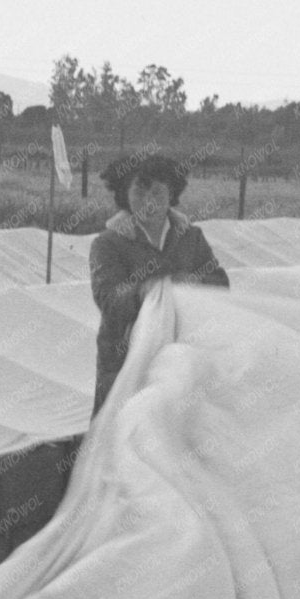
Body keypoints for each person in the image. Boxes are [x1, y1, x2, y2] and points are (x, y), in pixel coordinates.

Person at [88, 153, 230, 413]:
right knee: (125, 428)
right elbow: (109, 299)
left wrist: (189, 282)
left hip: (183, 354)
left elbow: (219, 283)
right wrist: (147, 291)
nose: (149, 203)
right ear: (124, 194)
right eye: (139, 193)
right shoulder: (108, 244)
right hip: (125, 359)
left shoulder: (190, 238)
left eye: (158, 193)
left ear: (172, 195)